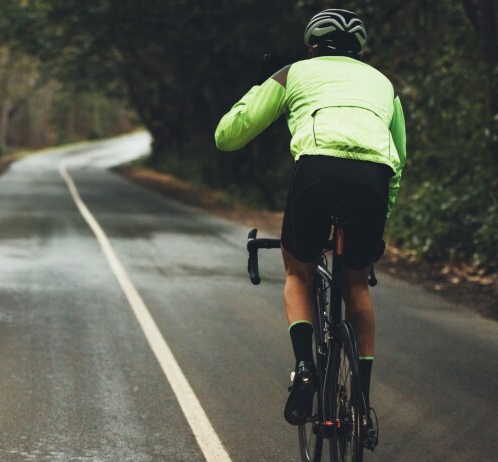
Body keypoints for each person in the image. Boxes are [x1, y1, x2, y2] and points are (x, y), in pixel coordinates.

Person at [214, 9, 406, 449]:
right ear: (359, 50)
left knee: (299, 270)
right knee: (357, 283)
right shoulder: (384, 85)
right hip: (373, 181)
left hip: (316, 173)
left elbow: (227, 136)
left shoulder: (293, 73)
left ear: (312, 46)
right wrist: (381, 221)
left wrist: (262, 85)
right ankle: (361, 403)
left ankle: (304, 367)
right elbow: (399, 158)